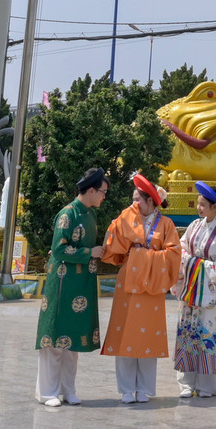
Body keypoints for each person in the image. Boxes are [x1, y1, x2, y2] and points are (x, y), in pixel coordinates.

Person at [100, 172, 183, 404]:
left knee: (148, 337)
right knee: (125, 333)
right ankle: (126, 389)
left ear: (150, 201)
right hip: (128, 282)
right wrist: (126, 223)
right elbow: (111, 243)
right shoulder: (127, 217)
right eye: (133, 198)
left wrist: (144, 257)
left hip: (152, 285)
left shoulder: (166, 224)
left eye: (138, 199)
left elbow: (175, 253)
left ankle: (145, 388)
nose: (134, 203)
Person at [35, 167, 108, 407]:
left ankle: (68, 390)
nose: (104, 197)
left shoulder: (90, 214)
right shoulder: (67, 214)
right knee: (56, 340)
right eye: (102, 192)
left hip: (81, 283)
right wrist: (90, 252)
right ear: (90, 190)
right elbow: (57, 249)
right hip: (63, 283)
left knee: (73, 341)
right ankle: (47, 392)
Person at [172, 181, 216, 398]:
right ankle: (186, 384)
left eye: (203, 204)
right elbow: (180, 250)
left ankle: (207, 386)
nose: (199, 208)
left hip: (210, 292)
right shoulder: (194, 227)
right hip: (192, 289)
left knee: (207, 334)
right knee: (187, 333)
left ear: (215, 207)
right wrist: (190, 262)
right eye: (199, 204)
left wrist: (206, 268)